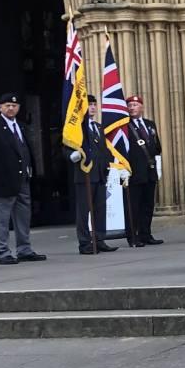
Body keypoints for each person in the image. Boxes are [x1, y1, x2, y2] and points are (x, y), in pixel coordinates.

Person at [0, 92, 46, 264]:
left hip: (22, 180)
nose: (11, 108)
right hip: (3, 181)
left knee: (23, 216)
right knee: (2, 219)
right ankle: (3, 252)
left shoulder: (21, 126)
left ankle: (24, 249)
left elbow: (25, 151)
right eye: (7, 105)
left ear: (18, 108)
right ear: (0, 108)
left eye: (14, 105)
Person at [67, 95, 117, 255]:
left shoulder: (98, 127)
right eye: (90, 104)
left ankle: (99, 239)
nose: (93, 107)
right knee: (84, 211)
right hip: (85, 175)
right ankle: (84, 242)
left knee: (100, 210)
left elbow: (104, 149)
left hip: (100, 174)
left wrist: (110, 164)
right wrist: (72, 155)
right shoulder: (77, 128)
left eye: (95, 104)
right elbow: (66, 146)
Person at [123, 95, 164, 247]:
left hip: (150, 171)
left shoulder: (149, 124)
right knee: (134, 206)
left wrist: (158, 167)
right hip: (134, 172)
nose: (132, 107)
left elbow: (157, 146)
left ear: (141, 107)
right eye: (130, 105)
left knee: (148, 205)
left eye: (135, 104)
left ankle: (146, 234)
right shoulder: (125, 126)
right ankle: (133, 236)